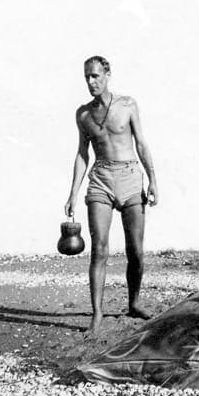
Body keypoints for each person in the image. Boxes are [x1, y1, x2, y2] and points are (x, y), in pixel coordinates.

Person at [65, 55, 158, 336]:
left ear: (107, 74)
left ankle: (134, 302)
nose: (91, 82)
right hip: (101, 179)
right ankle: (97, 314)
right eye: (87, 77)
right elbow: (83, 154)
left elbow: (141, 143)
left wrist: (153, 179)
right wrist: (72, 194)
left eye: (95, 76)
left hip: (130, 177)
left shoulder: (127, 105)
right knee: (100, 249)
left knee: (136, 251)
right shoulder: (83, 114)